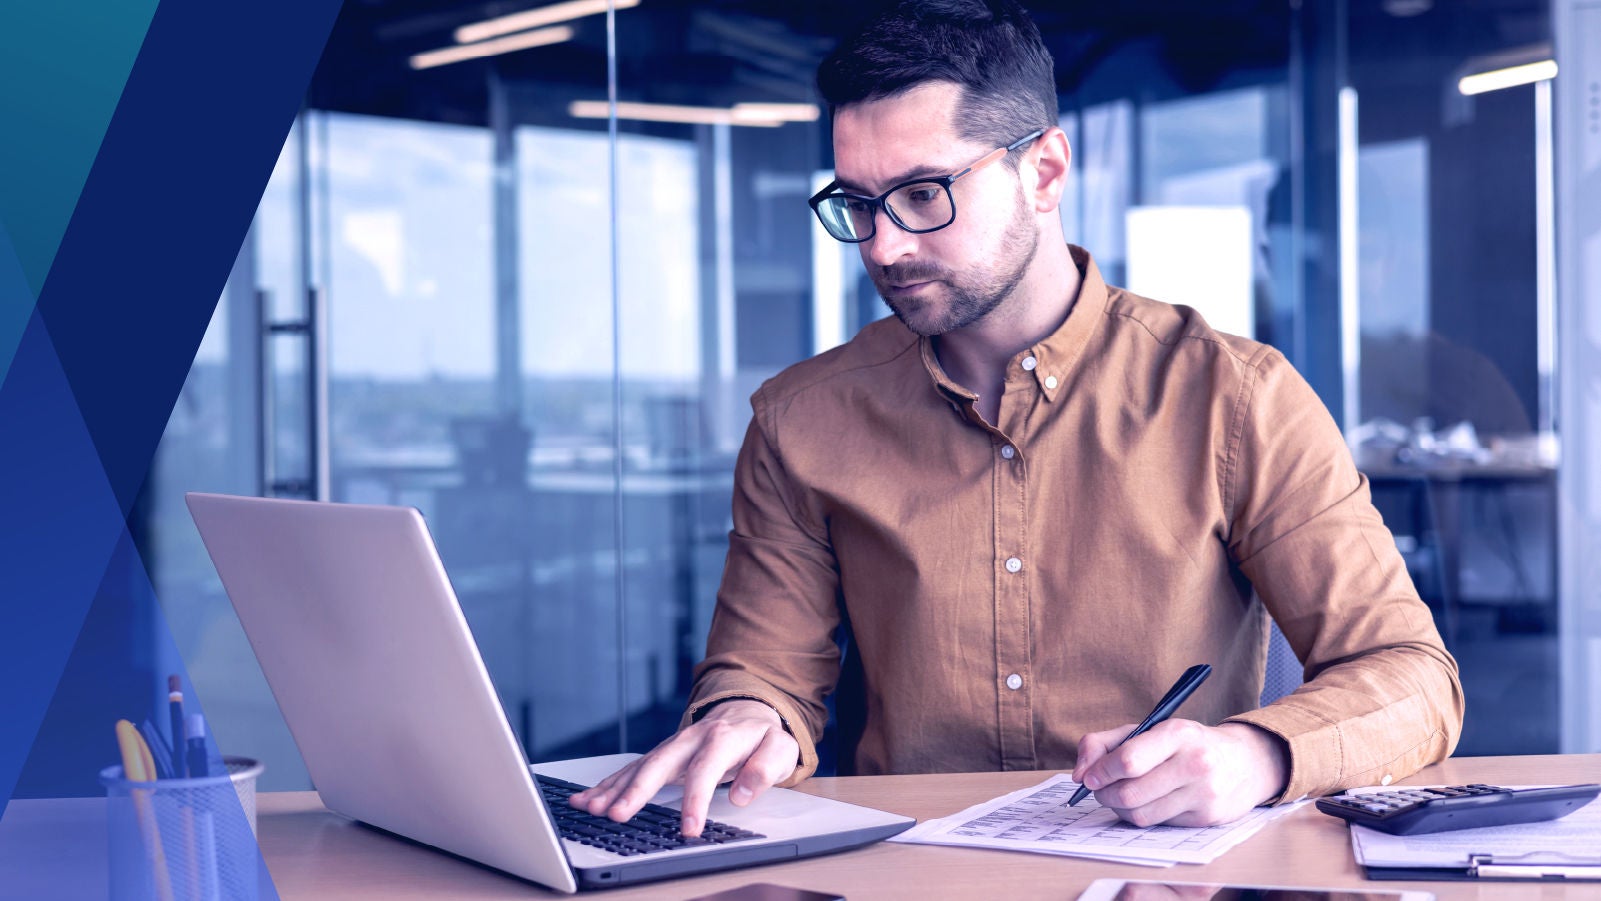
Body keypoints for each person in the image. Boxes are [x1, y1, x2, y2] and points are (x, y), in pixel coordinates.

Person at [573, 0, 1463, 837]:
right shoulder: (801, 420)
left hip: (1161, 877)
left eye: (924, 193)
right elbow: (762, 669)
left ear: (1041, 171)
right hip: (911, 877)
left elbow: (1411, 678)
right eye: (855, 203)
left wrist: (1257, 754)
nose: (883, 245)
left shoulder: (1234, 395)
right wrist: (750, 713)